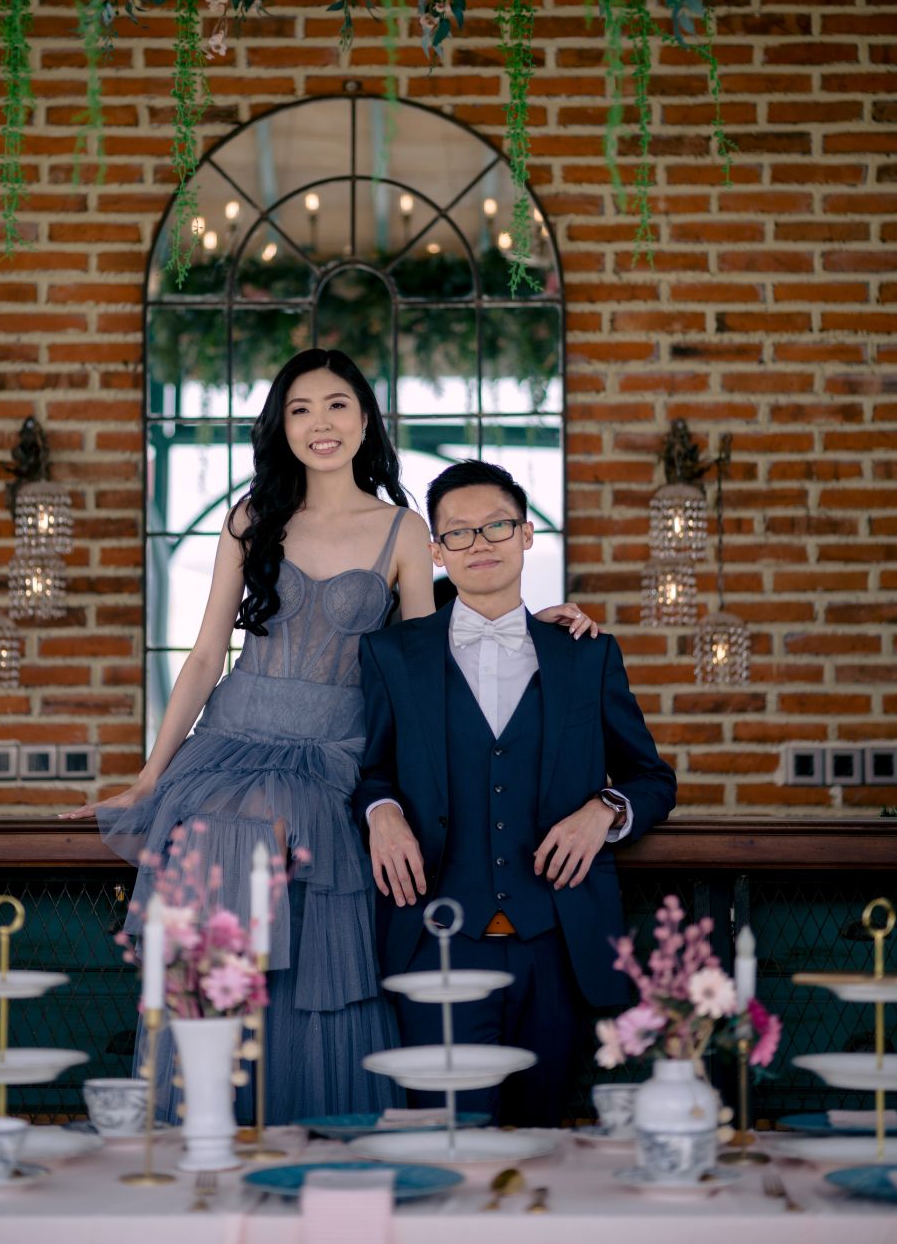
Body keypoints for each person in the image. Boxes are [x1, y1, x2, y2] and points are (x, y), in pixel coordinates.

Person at [65, 352, 596, 1123]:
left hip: (334, 750)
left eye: (337, 404)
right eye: (300, 408)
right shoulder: (252, 517)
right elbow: (207, 654)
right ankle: (211, 1121)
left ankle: (307, 1125)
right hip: (235, 740)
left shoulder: (403, 529)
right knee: (224, 906)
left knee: (316, 942)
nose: (320, 423)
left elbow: (426, 655)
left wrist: (523, 623)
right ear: (281, 426)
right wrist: (151, 776)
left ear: (365, 419)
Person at [354, 459, 677, 1127]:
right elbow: (369, 769)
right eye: (459, 532)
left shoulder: (585, 653)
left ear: (527, 534)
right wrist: (381, 813)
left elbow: (651, 778)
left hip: (557, 942)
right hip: (437, 940)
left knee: (541, 1141)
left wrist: (604, 811)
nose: (480, 543)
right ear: (436, 550)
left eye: (497, 525)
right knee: (446, 1136)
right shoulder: (390, 655)